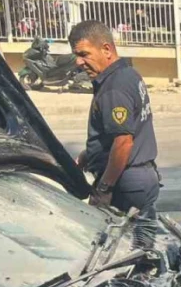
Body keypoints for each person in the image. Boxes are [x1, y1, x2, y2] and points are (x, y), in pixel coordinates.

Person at [69, 21, 162, 218]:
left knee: (117, 245)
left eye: (84, 54)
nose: (78, 62)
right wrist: (88, 155)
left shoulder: (114, 88)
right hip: (141, 178)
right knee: (139, 243)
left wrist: (103, 189)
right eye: (76, 55)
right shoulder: (128, 74)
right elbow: (119, 132)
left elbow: (123, 143)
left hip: (125, 183)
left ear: (106, 49)